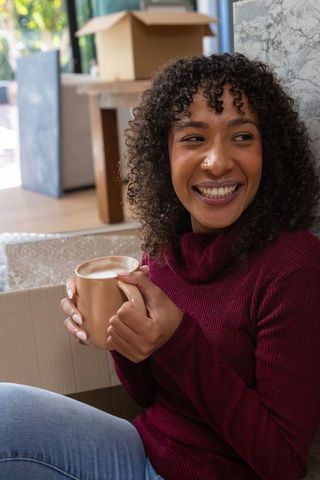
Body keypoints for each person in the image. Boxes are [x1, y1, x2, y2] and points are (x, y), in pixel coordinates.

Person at [0, 52, 320, 480]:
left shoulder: (293, 266)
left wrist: (176, 340)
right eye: (193, 139)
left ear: (270, 151)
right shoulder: (163, 251)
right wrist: (117, 331)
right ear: (163, 153)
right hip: (142, 453)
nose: (218, 161)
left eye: (242, 137)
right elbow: (147, 395)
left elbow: (282, 462)